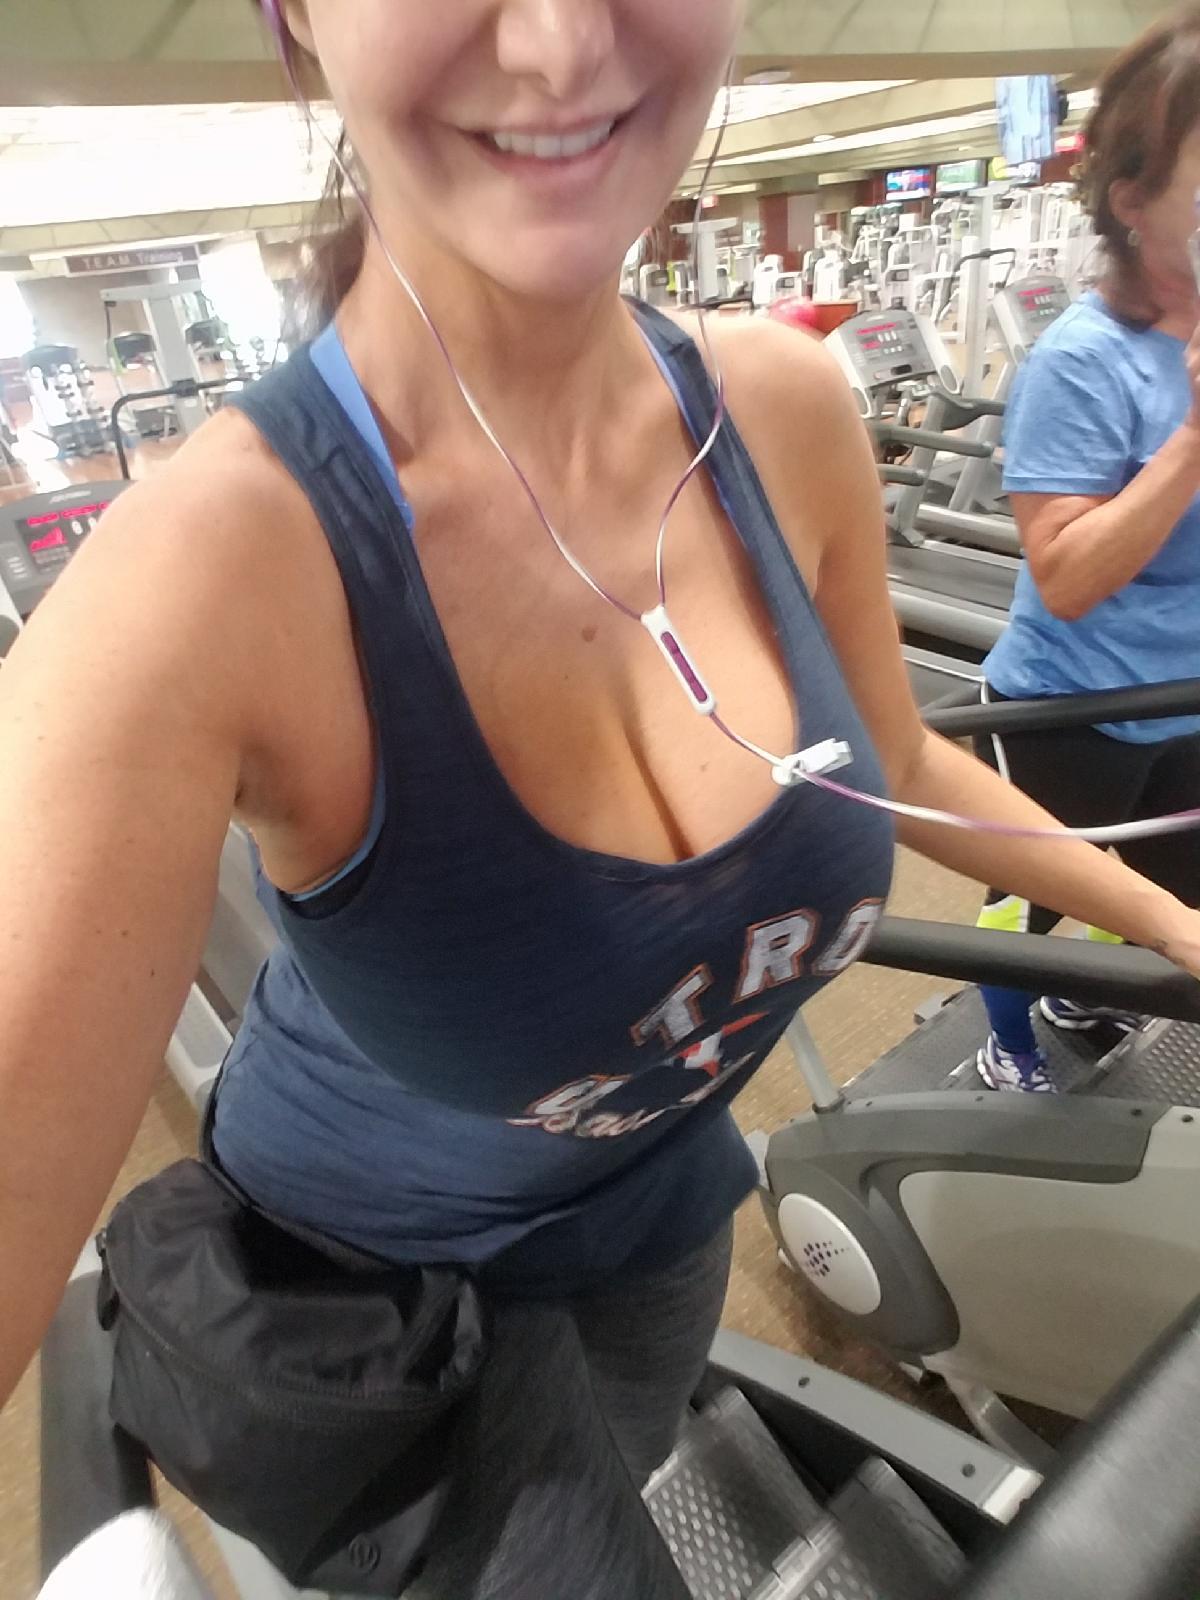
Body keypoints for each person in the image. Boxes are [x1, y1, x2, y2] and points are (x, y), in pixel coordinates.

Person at [3, 1, 1200, 1592]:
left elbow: (902, 765)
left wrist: (1176, 925)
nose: (563, 43)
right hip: (377, 1295)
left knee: (634, 1456)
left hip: (656, 1222)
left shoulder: (785, 409)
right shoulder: (203, 579)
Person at [971, 5, 1200, 1093]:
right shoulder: (1082, 362)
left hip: (1183, 697)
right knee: (1035, 898)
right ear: (1133, 202)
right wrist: (1192, 443)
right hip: (1069, 704)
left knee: (1169, 887)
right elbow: (1065, 577)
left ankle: (1083, 995)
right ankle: (1009, 1045)